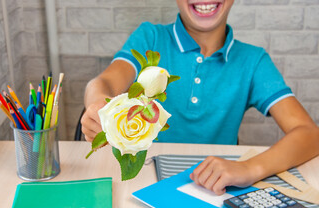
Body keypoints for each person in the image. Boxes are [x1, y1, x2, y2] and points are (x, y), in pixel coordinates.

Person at [81, 0, 319, 195]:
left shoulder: (253, 60)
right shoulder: (150, 37)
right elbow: (103, 83)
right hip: (142, 181)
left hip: (214, 189)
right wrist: (98, 104)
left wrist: (249, 167)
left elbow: (309, 134)